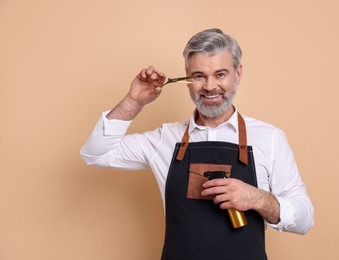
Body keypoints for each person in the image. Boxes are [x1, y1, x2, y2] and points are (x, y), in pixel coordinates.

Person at [80, 28, 314, 260]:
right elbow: (95, 153)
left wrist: (257, 198)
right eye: (199, 76)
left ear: (238, 74)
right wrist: (134, 101)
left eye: (220, 74)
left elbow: (304, 219)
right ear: (187, 79)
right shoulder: (164, 139)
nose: (210, 86)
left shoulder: (269, 138)